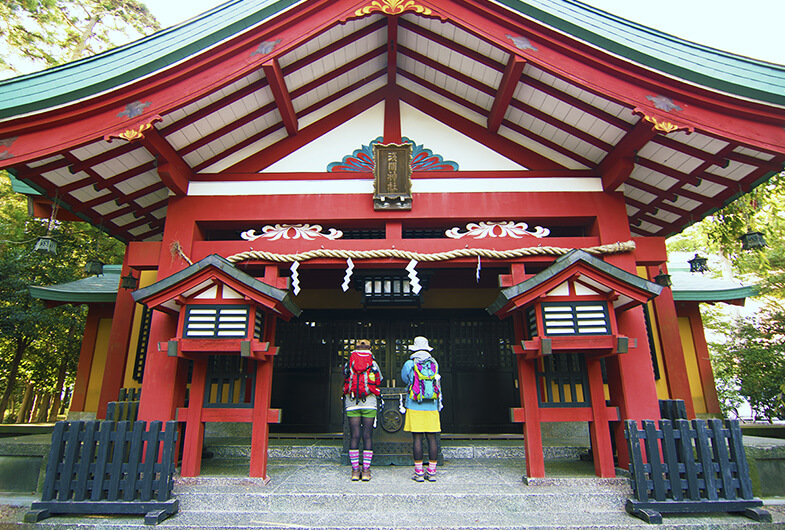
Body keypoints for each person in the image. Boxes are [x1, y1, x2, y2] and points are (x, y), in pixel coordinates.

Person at [401, 336, 442, 482]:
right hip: (431, 406)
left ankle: (418, 472)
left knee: (417, 438)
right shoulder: (434, 363)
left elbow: (405, 379)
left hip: (414, 404)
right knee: (432, 438)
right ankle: (432, 472)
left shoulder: (409, 363)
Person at [343, 339, 382, 481]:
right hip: (369, 401)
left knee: (354, 435)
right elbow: (378, 380)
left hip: (352, 401)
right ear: (370, 348)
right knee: (367, 435)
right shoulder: (373, 363)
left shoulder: (349, 362)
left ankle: (354, 471)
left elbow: (345, 377)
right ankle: (366, 470)